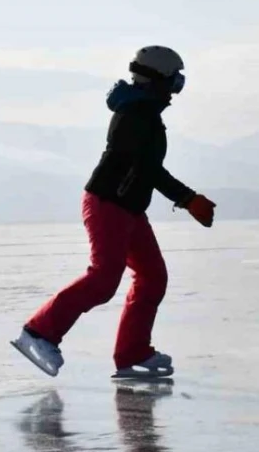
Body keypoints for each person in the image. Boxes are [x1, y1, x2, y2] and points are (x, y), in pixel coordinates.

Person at [11, 45, 217, 378]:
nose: (176, 91)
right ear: (158, 80)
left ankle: (132, 353)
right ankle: (38, 333)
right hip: (108, 204)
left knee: (152, 277)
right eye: (175, 82)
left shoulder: (144, 111)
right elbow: (147, 169)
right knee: (104, 279)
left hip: (130, 208)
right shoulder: (135, 115)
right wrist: (188, 199)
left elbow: (146, 170)